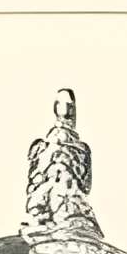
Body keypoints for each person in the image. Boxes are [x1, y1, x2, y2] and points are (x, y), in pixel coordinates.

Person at [23, 86, 101, 242]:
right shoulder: (42, 147)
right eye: (60, 103)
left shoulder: (82, 150)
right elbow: (34, 181)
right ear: (55, 107)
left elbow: (86, 185)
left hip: (71, 207)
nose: (65, 108)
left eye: (69, 105)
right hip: (45, 209)